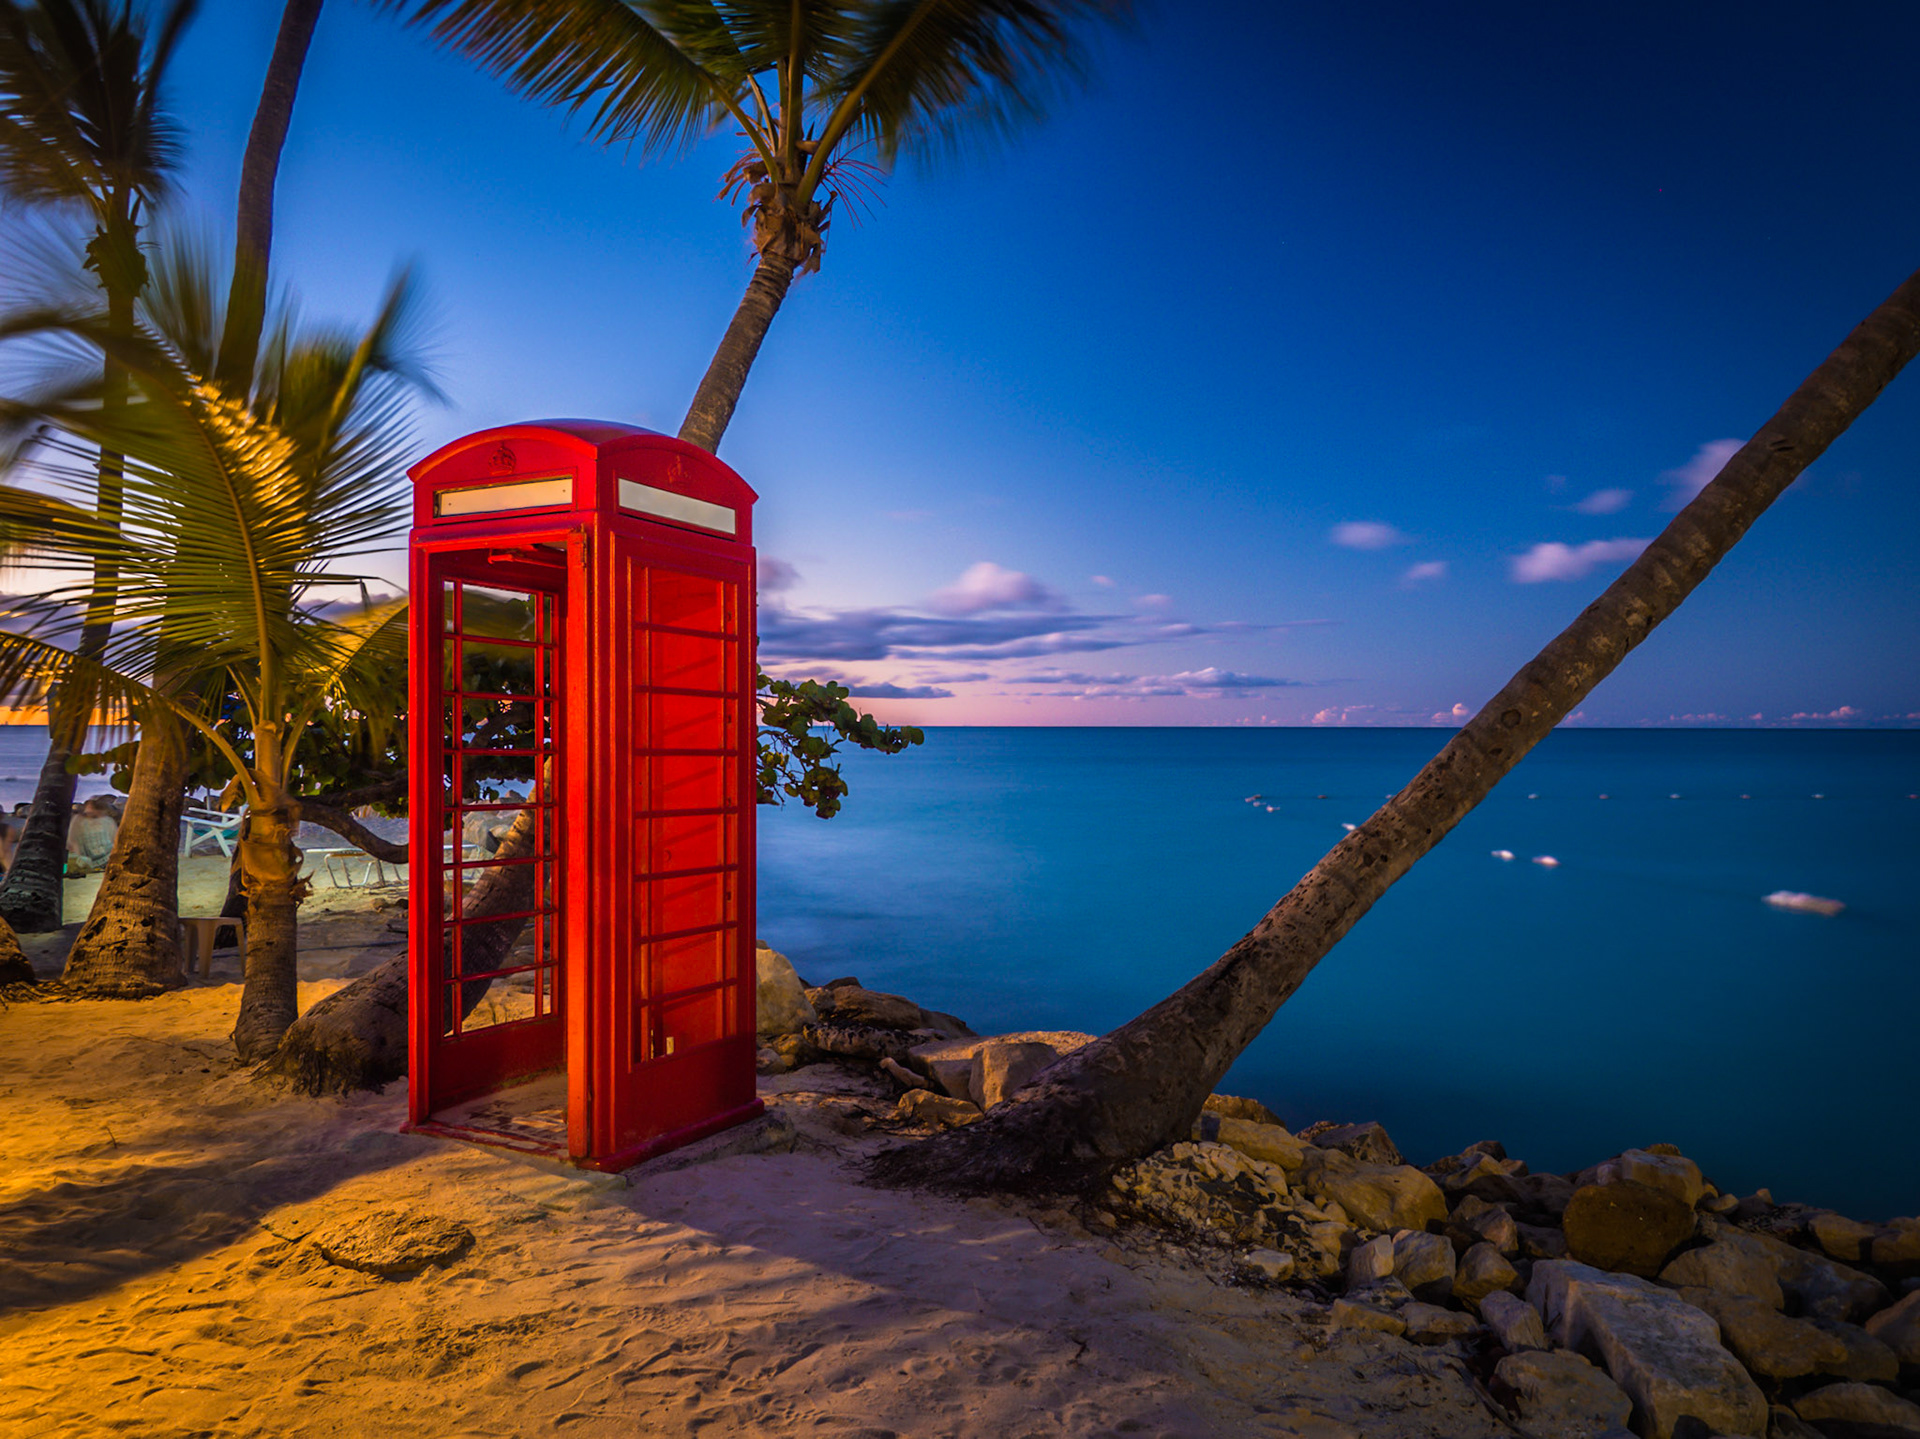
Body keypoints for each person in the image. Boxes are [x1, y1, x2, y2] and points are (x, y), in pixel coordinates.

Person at [66, 797, 118, 876]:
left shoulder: (107, 821)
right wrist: (80, 857)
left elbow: (115, 839)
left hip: (108, 858)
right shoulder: (78, 821)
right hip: (88, 860)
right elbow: (72, 841)